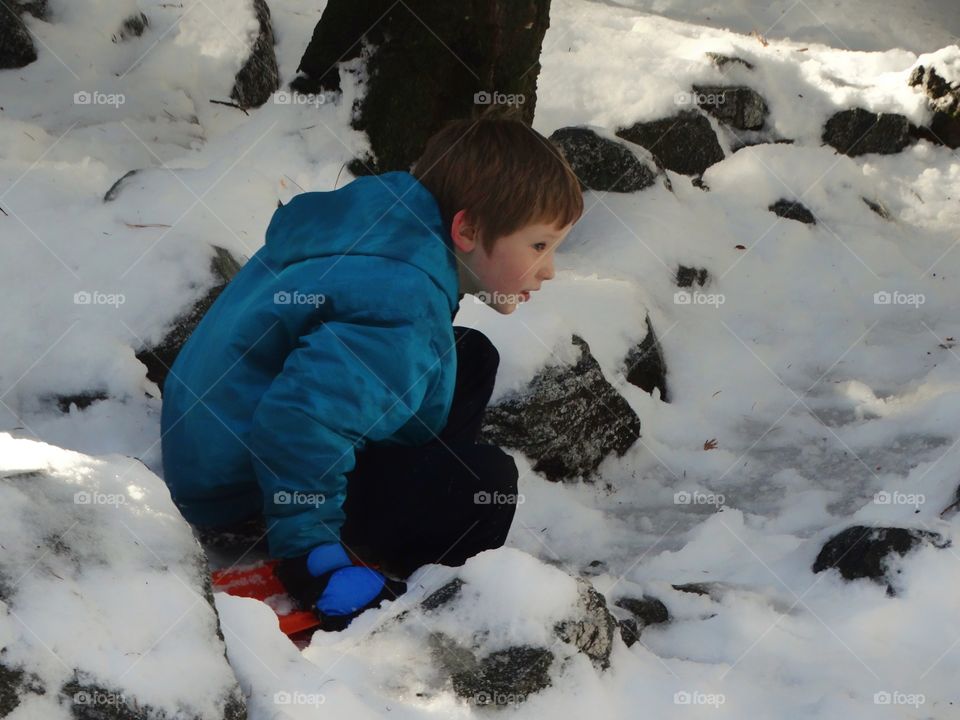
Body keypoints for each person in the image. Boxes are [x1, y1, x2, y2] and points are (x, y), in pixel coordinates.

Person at [160, 108, 583, 630]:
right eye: (538, 245)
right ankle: (391, 572)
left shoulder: (385, 233)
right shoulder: (401, 299)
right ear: (467, 228)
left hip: (219, 451)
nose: (548, 269)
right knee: (484, 483)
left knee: (469, 356)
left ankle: (397, 506)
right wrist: (311, 556)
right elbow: (298, 423)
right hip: (248, 495)